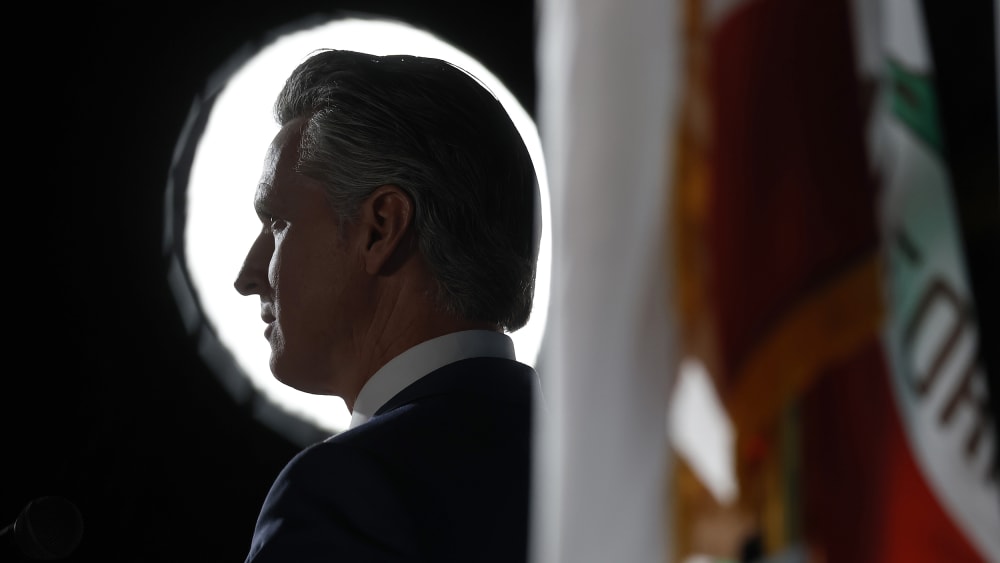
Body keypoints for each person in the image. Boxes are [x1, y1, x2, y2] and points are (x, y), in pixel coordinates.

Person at [233, 48, 542, 563]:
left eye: (278, 223)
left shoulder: (344, 490)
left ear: (381, 226)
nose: (248, 276)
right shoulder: (606, 466)